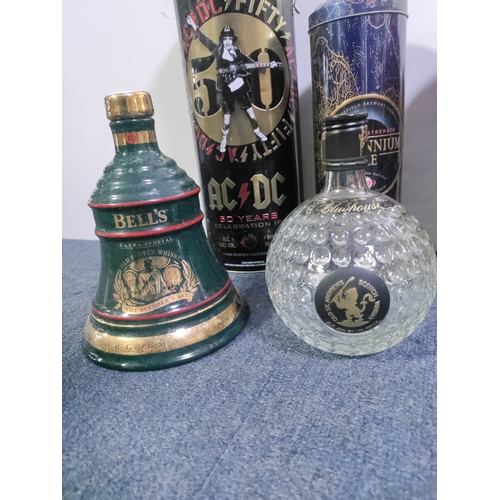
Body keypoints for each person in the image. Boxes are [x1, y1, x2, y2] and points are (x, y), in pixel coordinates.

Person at [187, 16, 277, 152]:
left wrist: (269, 64)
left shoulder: (238, 52)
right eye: (225, 39)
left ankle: (257, 131)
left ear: (232, 40)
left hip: (240, 86)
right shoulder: (218, 50)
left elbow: (251, 63)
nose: (228, 41)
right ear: (222, 40)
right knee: (226, 118)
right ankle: (224, 140)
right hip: (226, 89)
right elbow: (206, 40)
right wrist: (194, 25)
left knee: (251, 113)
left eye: (229, 39)